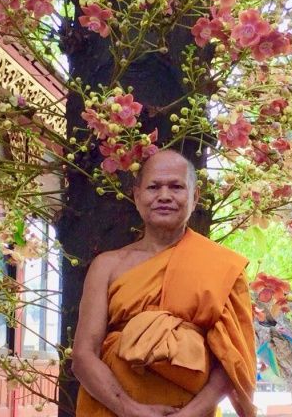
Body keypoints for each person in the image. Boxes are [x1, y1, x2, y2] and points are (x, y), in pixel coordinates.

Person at [72, 150, 256, 417]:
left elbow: (231, 361)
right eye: (154, 187)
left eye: (177, 187)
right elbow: (83, 356)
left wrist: (189, 414)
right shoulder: (107, 266)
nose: (165, 196)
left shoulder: (222, 268)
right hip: (111, 410)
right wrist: (130, 410)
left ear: (195, 198)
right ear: (137, 196)